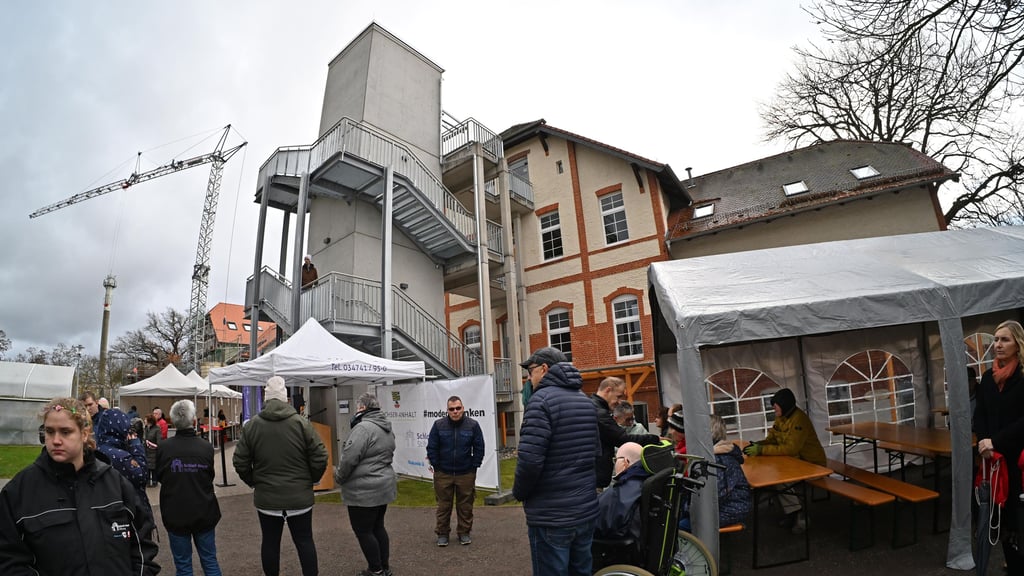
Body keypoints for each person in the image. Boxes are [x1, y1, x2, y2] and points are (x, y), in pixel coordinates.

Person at [0, 397, 160, 575]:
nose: (56, 440)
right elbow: (8, 560)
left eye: (65, 432)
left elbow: (142, 547)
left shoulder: (116, 484)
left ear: (84, 434)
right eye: (50, 431)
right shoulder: (20, 491)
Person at [513, 347, 600, 576]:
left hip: (552, 516)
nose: (528, 378)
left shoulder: (540, 402)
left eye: (530, 371)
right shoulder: (586, 401)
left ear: (544, 369)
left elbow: (529, 462)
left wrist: (519, 492)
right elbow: (595, 453)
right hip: (585, 510)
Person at [234, 376, 328, 576]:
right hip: (299, 496)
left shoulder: (252, 426)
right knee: (304, 541)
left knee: (270, 542)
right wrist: (312, 479)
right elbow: (320, 455)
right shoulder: (301, 423)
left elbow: (240, 461)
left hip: (267, 497)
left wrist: (253, 481)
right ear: (286, 398)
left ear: (266, 398)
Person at [975, 319, 1024, 574]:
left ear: (1018, 344)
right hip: (994, 460)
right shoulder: (987, 378)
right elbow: (980, 415)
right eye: (995, 339)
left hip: (1019, 460)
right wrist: (984, 443)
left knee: (1019, 518)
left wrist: (996, 441)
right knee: (1001, 519)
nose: (998, 344)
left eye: (1005, 339)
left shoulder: (1022, 376)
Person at [743, 388, 826, 534]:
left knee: (780, 480)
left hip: (813, 464)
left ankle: (799, 515)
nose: (774, 409)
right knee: (773, 479)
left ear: (785, 405)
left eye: (776, 406)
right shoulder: (781, 417)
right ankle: (791, 514)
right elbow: (772, 439)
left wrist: (761, 450)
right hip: (796, 461)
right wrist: (757, 445)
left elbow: (791, 449)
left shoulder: (799, 420)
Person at [156, 399, 223, 576]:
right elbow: (209, 476)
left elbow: (160, 476)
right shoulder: (206, 447)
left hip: (175, 513)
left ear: (173, 421)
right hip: (204, 510)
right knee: (210, 560)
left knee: (183, 565)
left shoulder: (164, 448)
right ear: (194, 420)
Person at [335, 392, 398, 576]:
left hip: (363, 490)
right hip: (383, 485)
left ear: (362, 408)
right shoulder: (386, 427)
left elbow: (349, 458)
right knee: (378, 527)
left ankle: (376, 569)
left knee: (363, 530)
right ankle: (384, 567)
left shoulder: (363, 428)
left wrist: (339, 476)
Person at [426, 395, 485, 546]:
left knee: (465, 506)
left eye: (458, 408)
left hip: (465, 473)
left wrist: (473, 467)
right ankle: (442, 534)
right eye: (452, 409)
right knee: (443, 506)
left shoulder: (473, 425)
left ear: (463, 408)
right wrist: (437, 466)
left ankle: (464, 533)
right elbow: (432, 447)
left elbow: (479, 447)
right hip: (443, 473)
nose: (455, 411)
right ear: (447, 410)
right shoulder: (438, 425)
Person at [678, 415, 751, 531]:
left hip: (732, 508)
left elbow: (714, 495)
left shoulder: (720, 459)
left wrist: (687, 508)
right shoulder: (714, 454)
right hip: (726, 504)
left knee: (679, 526)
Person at [592, 377, 660, 489]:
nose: (619, 402)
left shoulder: (595, 409)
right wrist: (654, 439)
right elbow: (622, 439)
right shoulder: (599, 413)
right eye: (618, 396)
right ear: (608, 390)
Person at [94, 407, 152, 514]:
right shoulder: (121, 457)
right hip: (131, 511)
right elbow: (142, 476)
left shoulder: (98, 449)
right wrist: (136, 445)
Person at [594, 442, 649, 541]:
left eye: (616, 460)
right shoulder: (646, 482)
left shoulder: (619, 492)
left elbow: (598, 523)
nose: (614, 464)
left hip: (616, 544)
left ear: (625, 462)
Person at [144, 414, 161, 486]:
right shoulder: (146, 428)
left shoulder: (157, 429)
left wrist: (150, 444)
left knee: (153, 467)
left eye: (145, 419)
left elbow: (159, 442)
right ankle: (147, 481)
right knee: (147, 467)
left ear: (149, 421)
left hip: (154, 451)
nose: (144, 421)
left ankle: (154, 481)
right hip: (146, 451)